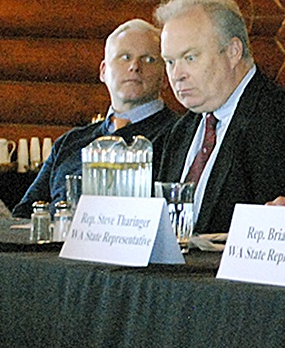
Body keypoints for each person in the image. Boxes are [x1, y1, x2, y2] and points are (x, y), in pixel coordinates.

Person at [154, 0, 285, 234]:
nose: (177, 74)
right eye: (170, 62)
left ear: (234, 51)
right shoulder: (181, 131)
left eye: (190, 58)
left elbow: (284, 236)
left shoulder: (282, 122)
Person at [15, 19, 177, 217]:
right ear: (103, 72)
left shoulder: (179, 136)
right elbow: (25, 213)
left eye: (149, 59)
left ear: (165, 77)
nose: (135, 66)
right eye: (125, 57)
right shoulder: (70, 142)